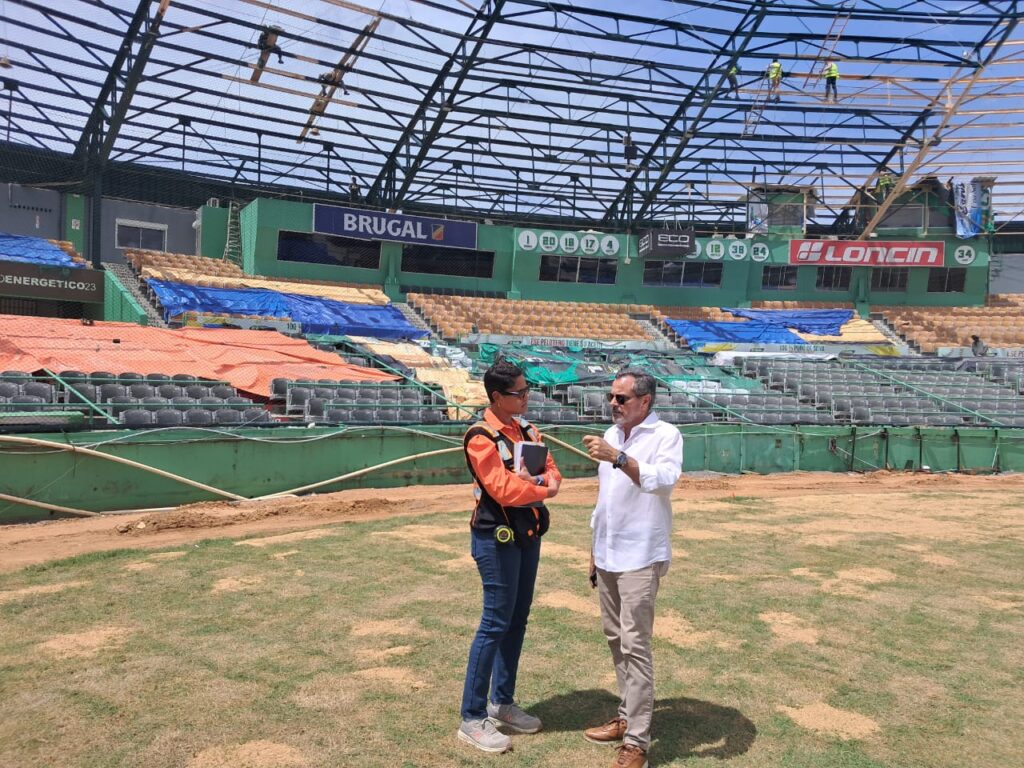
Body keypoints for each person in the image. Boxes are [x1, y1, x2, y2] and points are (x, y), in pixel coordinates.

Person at [458, 358, 562, 754]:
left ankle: (502, 702)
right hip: (495, 539)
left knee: (517, 618)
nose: (526, 396)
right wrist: (539, 487)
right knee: (495, 622)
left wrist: (537, 483)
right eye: (519, 392)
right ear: (497, 397)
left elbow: (552, 473)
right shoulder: (480, 436)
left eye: (526, 390)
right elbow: (502, 489)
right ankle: (471, 717)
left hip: (527, 535)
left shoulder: (528, 431)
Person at [581, 370, 683, 768]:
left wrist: (619, 458)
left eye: (621, 398)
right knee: (614, 639)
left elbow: (664, 481)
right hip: (608, 553)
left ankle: (637, 741)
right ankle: (626, 717)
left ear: (645, 401)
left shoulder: (665, 436)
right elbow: (604, 499)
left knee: (635, 645)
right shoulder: (610, 435)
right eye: (612, 397)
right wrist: (593, 548)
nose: (613, 404)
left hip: (641, 555)